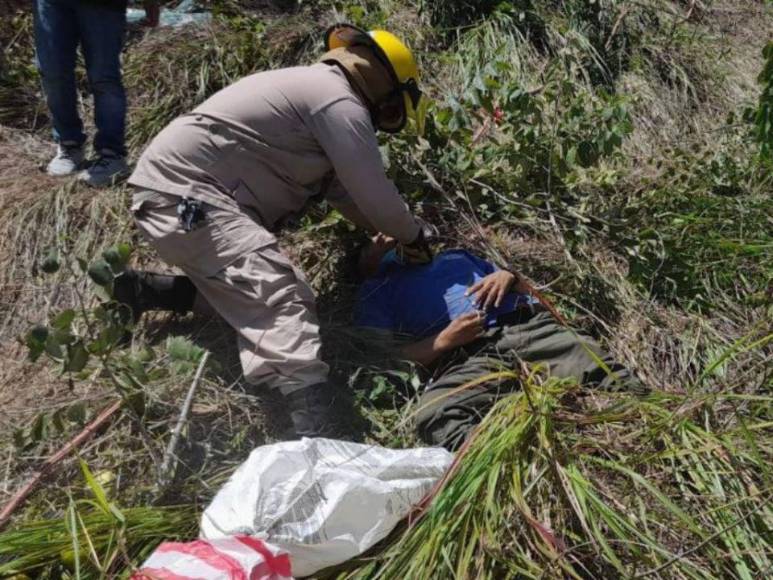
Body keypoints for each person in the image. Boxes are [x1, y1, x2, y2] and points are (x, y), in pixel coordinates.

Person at [118, 24, 433, 438]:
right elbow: (375, 194)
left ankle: (151, 291)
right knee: (282, 299)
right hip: (189, 195)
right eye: (392, 109)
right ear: (384, 87)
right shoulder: (337, 102)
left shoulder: (317, 94)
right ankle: (316, 432)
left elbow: (350, 198)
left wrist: (398, 229)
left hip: (180, 196)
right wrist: (415, 237)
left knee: (255, 298)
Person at [355, 235, 648, 451]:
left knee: (604, 370)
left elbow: (543, 304)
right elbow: (385, 362)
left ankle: (653, 427)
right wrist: (443, 341)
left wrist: (510, 278)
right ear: (363, 257)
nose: (388, 239)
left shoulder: (457, 257)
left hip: (527, 330)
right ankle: (509, 460)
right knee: (433, 414)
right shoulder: (375, 291)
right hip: (468, 360)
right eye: (375, 240)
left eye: (392, 233)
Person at [33, 0, 160, 186]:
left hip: (104, 7)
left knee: (104, 77)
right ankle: (69, 145)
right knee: (53, 73)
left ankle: (112, 154)